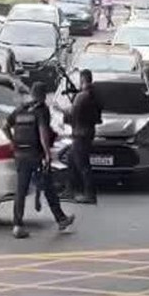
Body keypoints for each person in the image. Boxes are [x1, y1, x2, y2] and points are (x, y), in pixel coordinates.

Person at [2, 82, 75, 239]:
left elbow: (4, 126)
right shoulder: (41, 110)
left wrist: (12, 141)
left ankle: (17, 225)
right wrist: (48, 154)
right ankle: (61, 219)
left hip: (20, 155)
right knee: (48, 186)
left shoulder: (21, 109)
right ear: (42, 95)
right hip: (35, 155)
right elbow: (43, 133)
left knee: (21, 190)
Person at [65, 69, 103, 204]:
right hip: (88, 132)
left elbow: (72, 115)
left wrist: (65, 112)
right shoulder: (95, 95)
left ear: (82, 79)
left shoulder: (82, 96)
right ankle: (70, 189)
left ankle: (89, 193)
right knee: (71, 159)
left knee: (82, 164)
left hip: (80, 133)